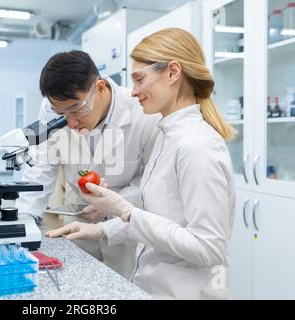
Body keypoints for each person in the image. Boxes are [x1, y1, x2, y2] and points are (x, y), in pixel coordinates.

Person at [46, 28, 236, 300]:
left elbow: (209, 248)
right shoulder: (166, 136)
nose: (132, 92)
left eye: (139, 79)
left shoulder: (197, 145)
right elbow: (161, 217)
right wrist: (100, 229)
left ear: (172, 73)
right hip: (151, 286)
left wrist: (125, 210)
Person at [18, 50, 161, 278]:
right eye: (61, 114)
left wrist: (114, 205)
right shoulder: (51, 110)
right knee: (78, 281)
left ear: (100, 88)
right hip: (79, 213)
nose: (71, 122)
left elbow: (148, 181)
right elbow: (40, 167)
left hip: (126, 221)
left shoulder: (141, 113)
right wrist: (24, 221)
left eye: (76, 110)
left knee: (122, 285)